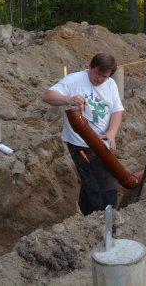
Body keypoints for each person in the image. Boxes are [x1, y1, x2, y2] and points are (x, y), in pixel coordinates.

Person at [42, 53, 124, 216]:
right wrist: (68, 99)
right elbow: (47, 96)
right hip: (80, 144)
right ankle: (103, 219)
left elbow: (117, 110)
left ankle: (86, 217)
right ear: (92, 67)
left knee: (92, 181)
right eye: (98, 74)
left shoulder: (111, 84)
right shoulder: (74, 80)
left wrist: (112, 133)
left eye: (104, 76)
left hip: (102, 143)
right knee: (105, 186)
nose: (100, 79)